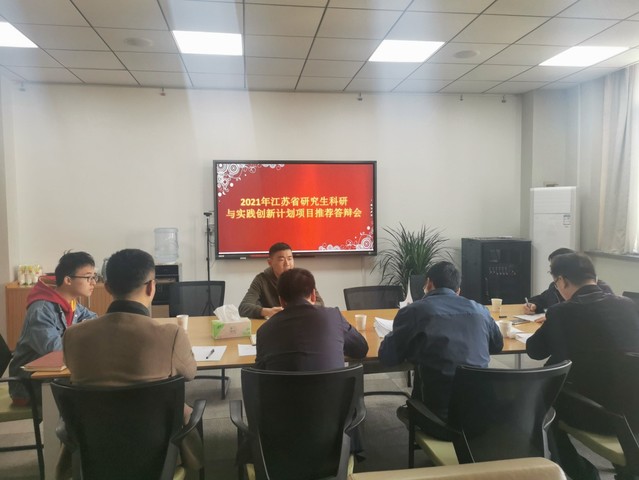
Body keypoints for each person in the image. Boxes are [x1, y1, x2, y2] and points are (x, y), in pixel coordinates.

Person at [61, 249, 201, 475]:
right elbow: (190, 373)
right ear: (151, 287)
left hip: (93, 454)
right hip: (157, 456)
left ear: (107, 287)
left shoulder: (73, 335)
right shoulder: (171, 335)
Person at [526, 252, 639, 480]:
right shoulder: (628, 306)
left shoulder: (562, 312)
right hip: (633, 412)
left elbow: (535, 351)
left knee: (539, 398)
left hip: (594, 414)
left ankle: (581, 474)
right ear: (594, 277)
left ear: (561, 281)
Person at [378, 261, 503, 437]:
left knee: (407, 406)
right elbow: (497, 345)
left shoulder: (414, 311)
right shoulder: (480, 310)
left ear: (429, 283)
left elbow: (388, 357)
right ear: (458, 290)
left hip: (439, 422)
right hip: (481, 419)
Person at [9, 251, 97, 405]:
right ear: (68, 280)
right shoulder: (41, 310)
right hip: (30, 386)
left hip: (55, 376)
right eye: (88, 277)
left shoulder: (71, 303)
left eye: (94, 277)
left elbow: (95, 321)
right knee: (95, 389)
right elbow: (55, 351)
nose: (93, 283)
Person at [255, 267, 368, 370]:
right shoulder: (334, 316)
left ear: (281, 301)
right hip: (333, 386)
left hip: (284, 387)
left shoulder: (264, 330)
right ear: (313, 295)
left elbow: (260, 373)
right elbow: (361, 349)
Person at [239, 242, 325, 318]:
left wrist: (300, 308)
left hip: (299, 321)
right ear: (270, 262)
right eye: (281, 259)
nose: (287, 264)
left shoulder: (302, 277)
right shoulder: (261, 280)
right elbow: (244, 307)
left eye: (290, 258)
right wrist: (267, 312)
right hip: (274, 324)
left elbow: (320, 304)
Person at [524, 247, 613, 314]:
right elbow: (542, 299)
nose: (553, 273)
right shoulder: (555, 286)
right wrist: (534, 306)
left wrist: (557, 318)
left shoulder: (601, 289)